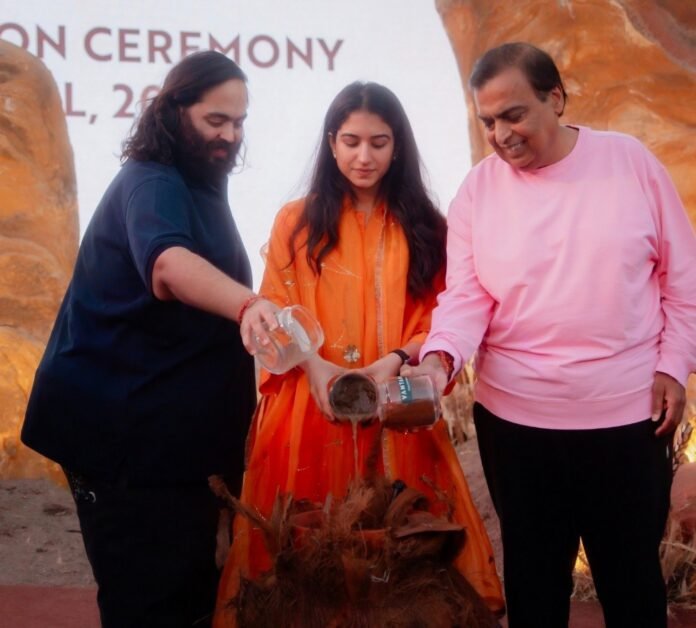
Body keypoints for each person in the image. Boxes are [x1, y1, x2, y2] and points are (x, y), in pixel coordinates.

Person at [403, 42, 696, 628]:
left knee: (633, 589)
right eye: (487, 121)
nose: (500, 135)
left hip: (628, 419)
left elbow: (682, 280)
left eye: (513, 115)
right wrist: (438, 359)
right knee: (534, 591)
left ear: (555, 99)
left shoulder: (630, 162)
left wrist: (674, 364)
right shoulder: (477, 191)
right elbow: (467, 298)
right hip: (516, 427)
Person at [213, 81, 504, 627]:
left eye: (378, 142)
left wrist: (394, 359)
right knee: (307, 564)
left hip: (398, 408)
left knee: (404, 562)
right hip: (310, 407)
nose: (363, 156)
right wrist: (315, 366)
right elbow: (276, 310)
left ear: (398, 147)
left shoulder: (427, 227)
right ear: (331, 143)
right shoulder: (296, 222)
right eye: (350, 142)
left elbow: (443, 315)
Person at [21, 51, 275, 628]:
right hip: (124, 440)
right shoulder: (153, 181)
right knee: (148, 602)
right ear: (174, 111)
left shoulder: (198, 180)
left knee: (189, 594)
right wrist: (250, 305)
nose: (230, 135)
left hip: (172, 443)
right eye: (216, 121)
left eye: (238, 122)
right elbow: (167, 264)